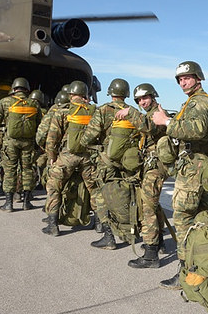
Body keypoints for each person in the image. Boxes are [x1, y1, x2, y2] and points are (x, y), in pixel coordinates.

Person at [152, 61, 208, 288]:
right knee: (201, 219)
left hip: (193, 170)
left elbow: (197, 130)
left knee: (182, 220)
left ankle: (184, 274)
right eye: (180, 79)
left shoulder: (199, 102)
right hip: (201, 168)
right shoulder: (194, 102)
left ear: (198, 77)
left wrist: (166, 122)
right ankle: (203, 269)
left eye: (187, 77)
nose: (183, 82)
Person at [115, 83, 169, 268]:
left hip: (156, 167)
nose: (142, 102)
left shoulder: (157, 113)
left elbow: (150, 128)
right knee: (153, 205)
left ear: (153, 97)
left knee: (147, 208)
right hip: (150, 166)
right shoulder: (148, 113)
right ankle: (159, 240)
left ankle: (150, 254)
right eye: (138, 100)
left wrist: (129, 111)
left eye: (145, 98)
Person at [80, 78, 132, 249]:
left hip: (105, 161)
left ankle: (108, 236)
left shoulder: (103, 110)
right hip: (125, 162)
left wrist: (95, 146)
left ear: (111, 93)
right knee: (123, 195)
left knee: (101, 196)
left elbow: (87, 137)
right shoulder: (131, 111)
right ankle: (129, 232)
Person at [42, 81, 98, 236]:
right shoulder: (93, 111)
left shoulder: (63, 111)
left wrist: (51, 156)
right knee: (94, 189)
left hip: (67, 157)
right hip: (88, 157)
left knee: (54, 186)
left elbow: (52, 138)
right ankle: (100, 223)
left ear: (71, 95)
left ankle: (53, 224)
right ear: (85, 94)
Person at [0, 77, 42, 211]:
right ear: (26, 89)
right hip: (28, 143)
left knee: (10, 171)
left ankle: (8, 204)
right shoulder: (34, 104)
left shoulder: (5, 102)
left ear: (14, 89)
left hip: (10, 142)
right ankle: (27, 202)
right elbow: (39, 125)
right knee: (27, 170)